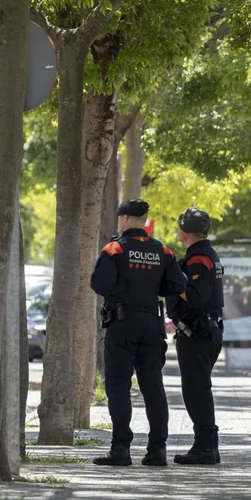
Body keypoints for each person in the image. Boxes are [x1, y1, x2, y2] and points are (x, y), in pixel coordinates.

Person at [90, 199, 186, 467]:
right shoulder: (163, 251)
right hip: (151, 324)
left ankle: (120, 449)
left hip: (122, 324)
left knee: (119, 385)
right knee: (153, 385)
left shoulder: (114, 249)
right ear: (143, 221)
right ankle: (158, 450)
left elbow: (99, 283)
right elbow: (177, 284)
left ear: (123, 219)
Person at [167, 207, 225, 465]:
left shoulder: (198, 259)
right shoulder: (206, 255)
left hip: (198, 333)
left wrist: (175, 284)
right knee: (198, 388)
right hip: (207, 330)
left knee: (196, 390)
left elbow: (197, 297)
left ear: (186, 230)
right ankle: (208, 446)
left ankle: (205, 447)